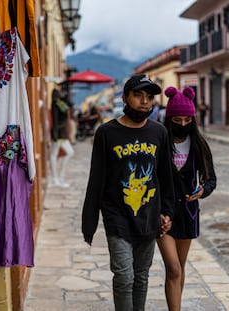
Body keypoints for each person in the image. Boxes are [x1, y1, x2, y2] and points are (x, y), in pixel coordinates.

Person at [81, 74, 175, 311]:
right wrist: (89, 221)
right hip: (117, 215)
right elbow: (97, 179)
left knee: (141, 276)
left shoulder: (159, 132)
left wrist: (167, 211)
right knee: (124, 277)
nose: (144, 101)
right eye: (138, 95)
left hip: (149, 215)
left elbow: (165, 176)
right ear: (125, 98)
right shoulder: (106, 133)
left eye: (149, 96)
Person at [157, 86, 217, 311]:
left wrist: (203, 191)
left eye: (186, 119)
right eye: (177, 119)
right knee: (173, 268)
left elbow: (211, 180)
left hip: (189, 214)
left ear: (192, 119)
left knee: (179, 268)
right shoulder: (161, 143)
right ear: (169, 118)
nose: (182, 124)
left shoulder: (200, 145)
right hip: (164, 214)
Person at [49, 89, 74, 188]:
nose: (62, 93)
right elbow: (55, 120)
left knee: (70, 152)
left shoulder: (61, 104)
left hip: (62, 134)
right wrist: (55, 135)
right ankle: (55, 178)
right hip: (58, 134)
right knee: (53, 154)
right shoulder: (55, 104)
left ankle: (60, 176)